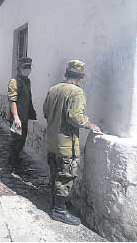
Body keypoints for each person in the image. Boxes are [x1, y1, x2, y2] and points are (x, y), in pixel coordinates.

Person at [43, 59, 102, 226]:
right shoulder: (77, 92)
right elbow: (75, 117)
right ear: (81, 76)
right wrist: (90, 124)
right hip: (66, 143)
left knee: (55, 172)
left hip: (52, 140)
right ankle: (59, 211)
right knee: (66, 176)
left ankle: (56, 203)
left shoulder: (53, 89)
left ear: (67, 72)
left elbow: (45, 111)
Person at [7, 57, 37, 171]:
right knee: (16, 139)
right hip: (17, 117)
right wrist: (15, 117)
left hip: (24, 116)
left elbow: (28, 97)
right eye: (25, 67)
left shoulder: (27, 80)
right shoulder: (14, 81)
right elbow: (12, 100)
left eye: (29, 67)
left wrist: (31, 112)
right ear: (19, 68)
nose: (28, 69)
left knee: (22, 138)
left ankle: (15, 157)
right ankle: (13, 161)